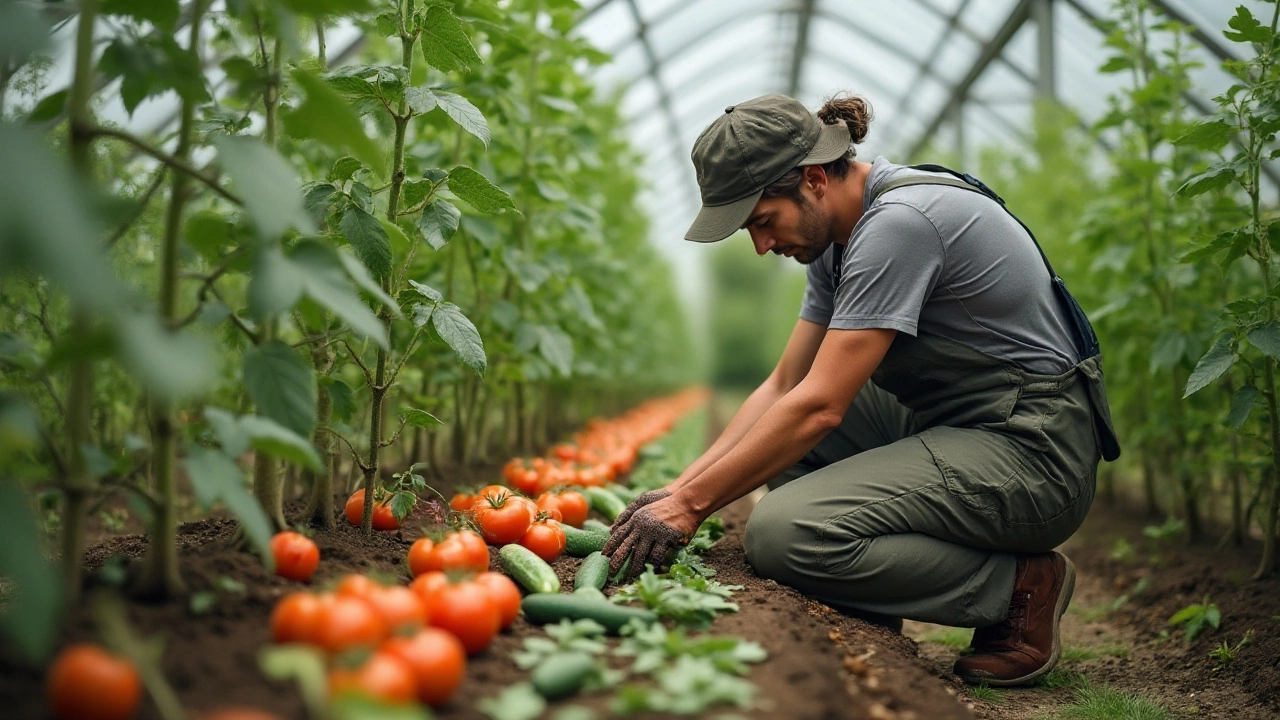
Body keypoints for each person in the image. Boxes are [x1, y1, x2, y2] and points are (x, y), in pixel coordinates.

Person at [601, 93, 1121, 687]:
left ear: (814, 179)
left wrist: (689, 511)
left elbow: (820, 407)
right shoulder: (839, 240)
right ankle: (868, 607)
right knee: (784, 439)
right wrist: (680, 490)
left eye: (763, 221)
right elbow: (786, 386)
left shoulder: (900, 225)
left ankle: (1017, 590)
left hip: (1035, 453)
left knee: (780, 533)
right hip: (966, 425)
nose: (762, 246)